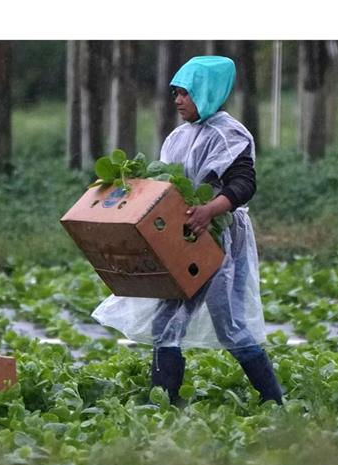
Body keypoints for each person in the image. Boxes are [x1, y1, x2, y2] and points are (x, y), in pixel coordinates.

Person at [94, 56, 282, 406]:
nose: (178, 100)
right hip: (182, 239)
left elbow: (243, 184)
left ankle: (274, 400)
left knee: (230, 326)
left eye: (185, 93)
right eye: (176, 93)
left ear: (207, 93)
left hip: (219, 241)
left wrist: (209, 210)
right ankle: (163, 401)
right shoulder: (179, 136)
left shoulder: (230, 134)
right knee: (167, 321)